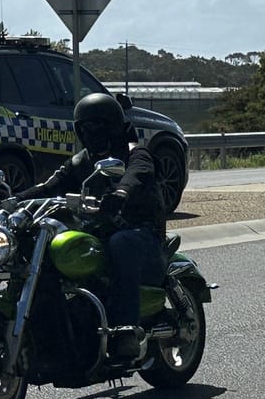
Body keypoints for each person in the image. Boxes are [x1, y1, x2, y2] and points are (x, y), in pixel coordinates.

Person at [17, 91, 166, 362]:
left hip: (143, 233)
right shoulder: (81, 161)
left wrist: (121, 194)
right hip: (99, 233)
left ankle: (125, 332)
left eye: (99, 126)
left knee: (121, 243)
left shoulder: (135, 152)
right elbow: (51, 186)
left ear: (114, 126)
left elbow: (138, 174)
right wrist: (15, 201)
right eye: (86, 127)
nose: (92, 132)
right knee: (58, 246)